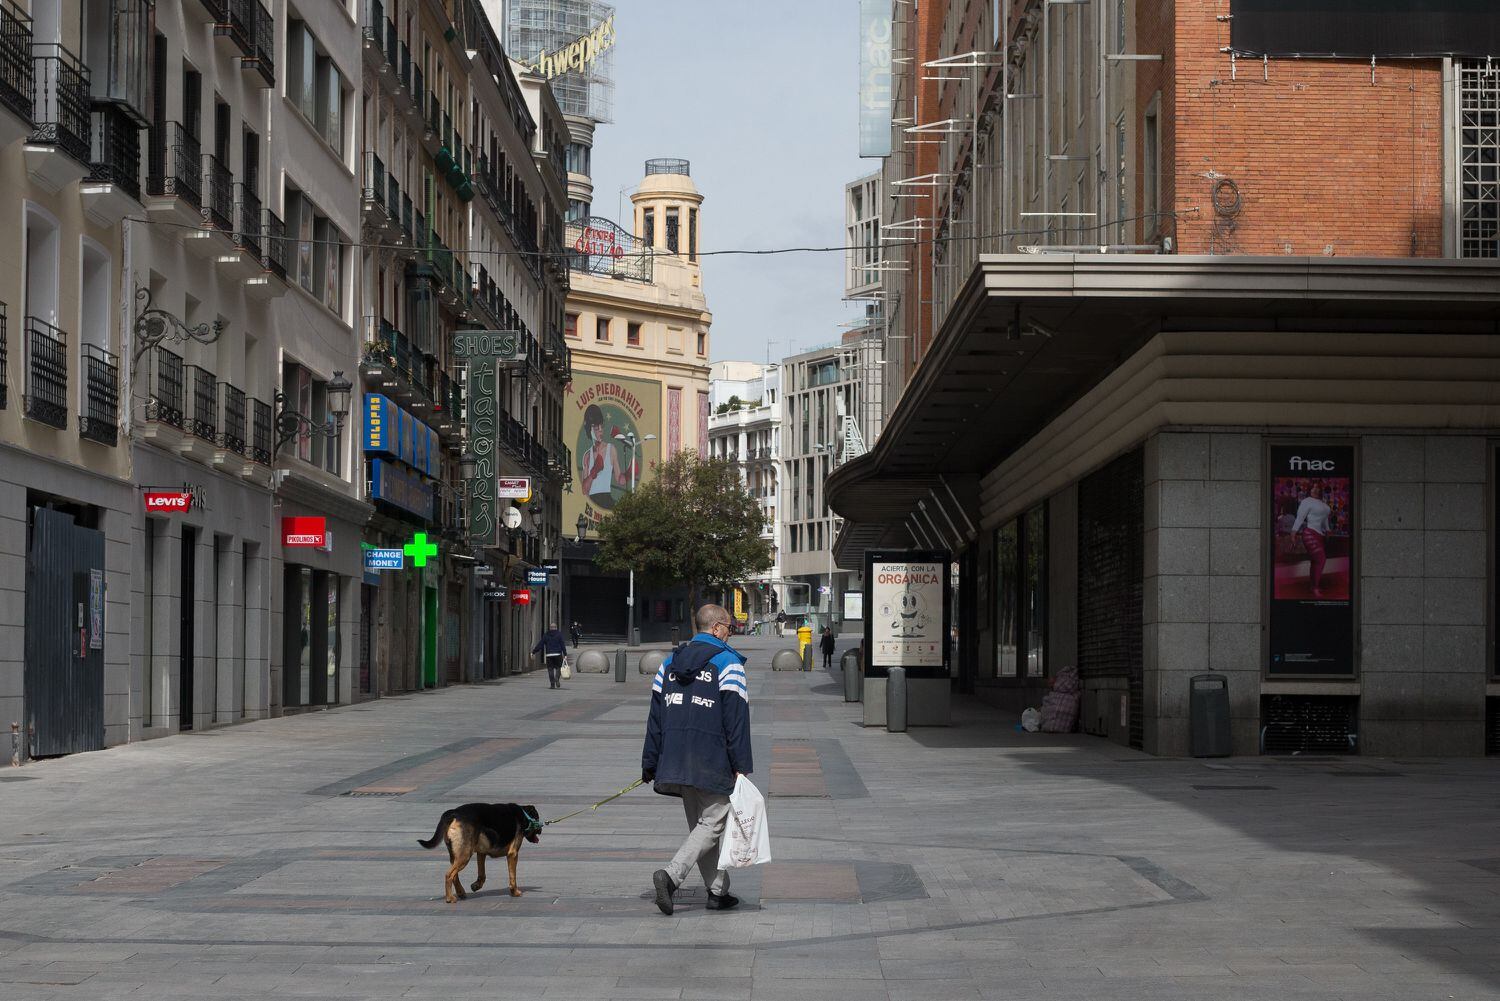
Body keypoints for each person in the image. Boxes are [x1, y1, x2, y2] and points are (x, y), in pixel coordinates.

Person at [641, 604, 751, 915]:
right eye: (728, 627)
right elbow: (736, 720)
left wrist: (651, 761)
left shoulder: (668, 664)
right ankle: (671, 877)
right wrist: (741, 764)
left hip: (675, 759)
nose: (730, 633)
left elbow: (655, 718)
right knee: (712, 824)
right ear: (716, 628)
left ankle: (718, 892)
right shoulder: (728, 663)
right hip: (712, 757)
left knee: (703, 828)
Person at [1290, 483, 1332, 597]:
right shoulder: (1307, 501)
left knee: (1315, 562)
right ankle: (1315, 587)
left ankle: (1313, 585)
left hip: (1320, 535)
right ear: (1309, 490)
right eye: (1313, 487)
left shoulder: (1323, 504)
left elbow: (1324, 520)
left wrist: (1328, 530)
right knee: (1321, 559)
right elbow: (1300, 518)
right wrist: (1293, 533)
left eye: (1317, 487)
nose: (1315, 489)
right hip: (1309, 533)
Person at [532, 622, 568, 689]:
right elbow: (562, 645)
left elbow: (540, 644)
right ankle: (557, 678)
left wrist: (534, 651)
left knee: (550, 669)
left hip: (549, 655)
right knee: (558, 667)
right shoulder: (559, 634)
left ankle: (552, 684)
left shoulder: (546, 635)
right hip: (558, 654)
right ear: (556, 628)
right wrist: (565, 654)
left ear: (550, 628)